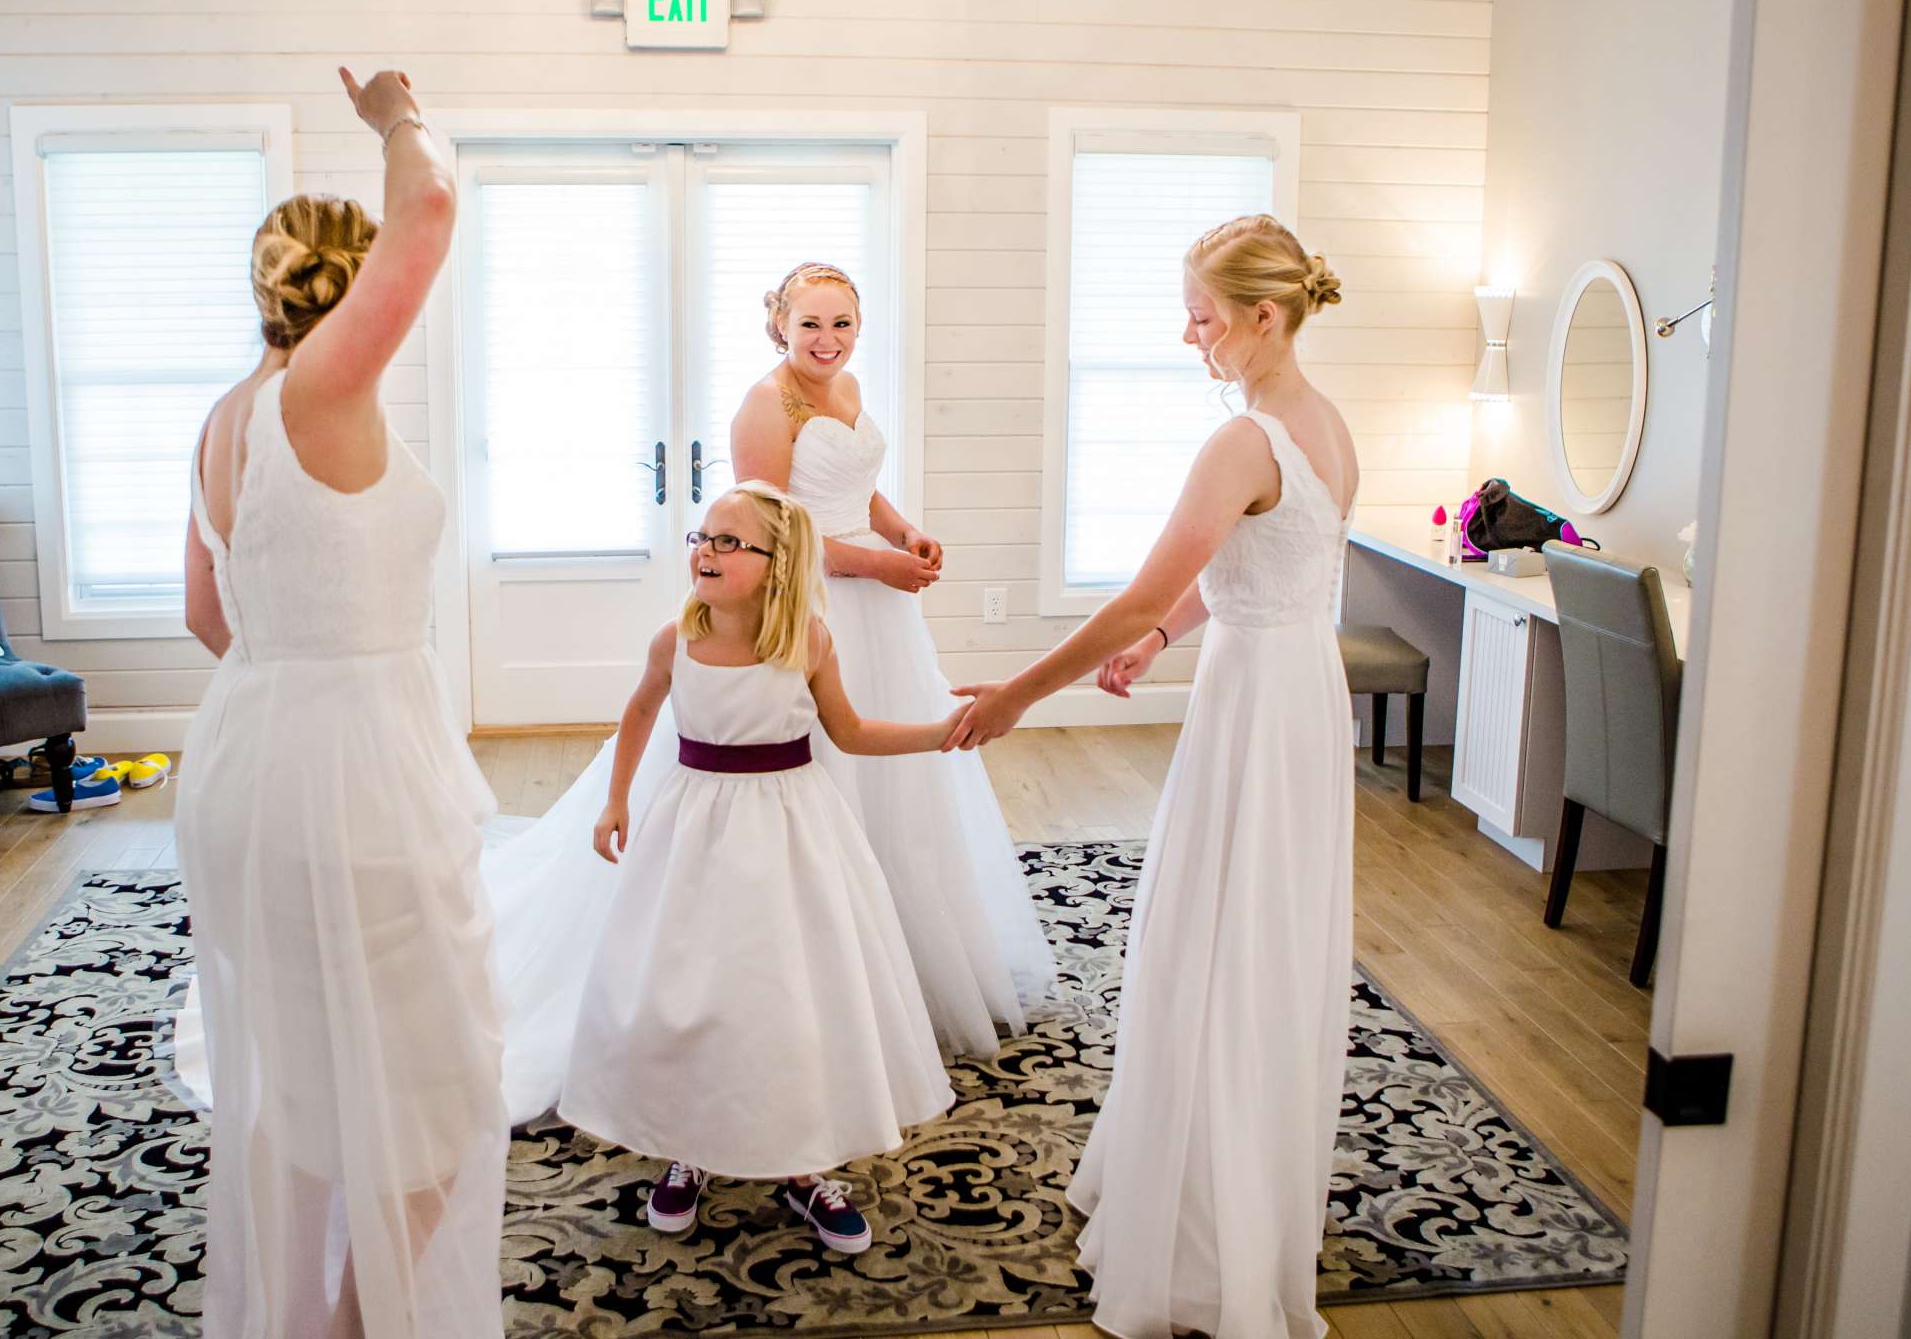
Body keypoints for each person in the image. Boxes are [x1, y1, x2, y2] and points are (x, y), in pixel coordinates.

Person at [948, 215, 1358, 1339]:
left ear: (1263, 317)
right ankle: (1234, 1188)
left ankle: (1204, 1228)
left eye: (1204, 316)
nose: (1191, 336)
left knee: (1217, 942)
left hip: (1260, 708)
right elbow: (1257, 566)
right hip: (1295, 695)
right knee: (1257, 941)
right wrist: (1169, 639)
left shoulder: (1244, 442)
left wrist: (1019, 696)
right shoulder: (1323, 426)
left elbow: (1138, 591)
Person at [175, 68, 505, 1338]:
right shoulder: (324, 394)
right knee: (440, 1094)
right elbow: (428, 211)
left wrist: (298, 674)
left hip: (250, 761)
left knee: (314, 1077)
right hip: (356, 776)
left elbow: (211, 617)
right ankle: (353, 1327)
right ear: (353, 285)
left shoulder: (226, 415)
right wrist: (396, 117)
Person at [559, 482, 954, 1253]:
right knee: (691, 982)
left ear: (777, 564)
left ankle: (802, 1163)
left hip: (789, 831)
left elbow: (851, 731)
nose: (705, 550)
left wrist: (940, 734)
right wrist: (613, 800)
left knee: (789, 990)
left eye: (726, 541)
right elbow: (640, 711)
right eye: (701, 537)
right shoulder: (677, 638)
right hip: (695, 829)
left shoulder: (807, 640)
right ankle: (691, 1144)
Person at [730, 263, 1055, 1054]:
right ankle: (816, 967)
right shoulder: (766, 404)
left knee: (899, 789)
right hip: (812, 609)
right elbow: (770, 532)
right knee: (831, 770)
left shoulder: (844, 388)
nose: (827, 340)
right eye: (810, 324)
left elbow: (858, 488)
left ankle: (898, 954)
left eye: (842, 324)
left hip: (880, 610)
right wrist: (879, 565)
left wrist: (903, 532)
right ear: (780, 323)